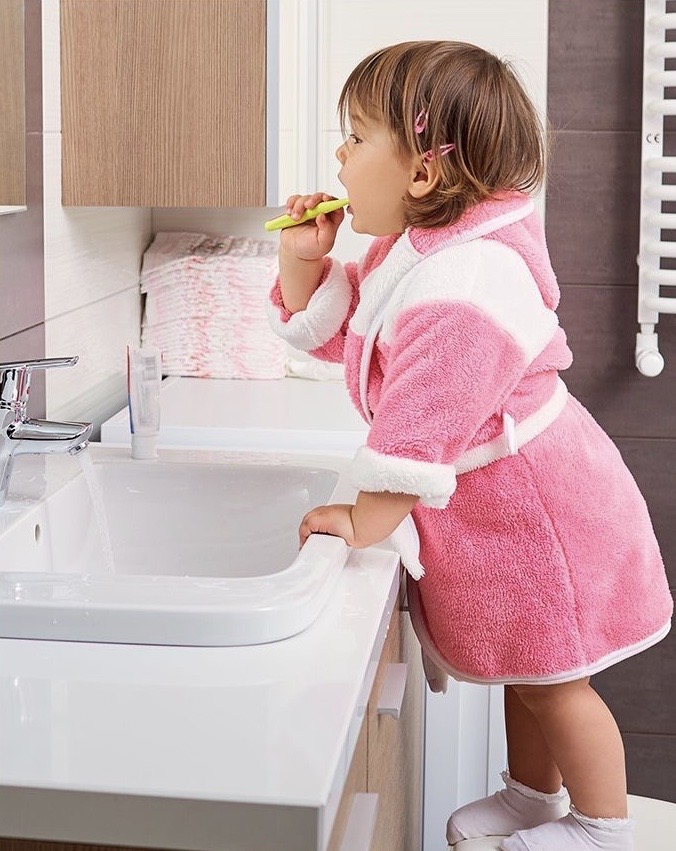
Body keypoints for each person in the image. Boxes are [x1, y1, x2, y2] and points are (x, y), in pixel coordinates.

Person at [266, 40, 673, 851]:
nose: (339, 157)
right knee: (530, 667)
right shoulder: (417, 247)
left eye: (354, 136)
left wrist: (363, 516)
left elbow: (422, 423)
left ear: (421, 172)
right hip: (507, 505)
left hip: (544, 508)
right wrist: (300, 262)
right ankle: (531, 795)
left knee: (560, 679)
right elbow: (353, 341)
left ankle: (604, 827)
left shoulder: (469, 282)